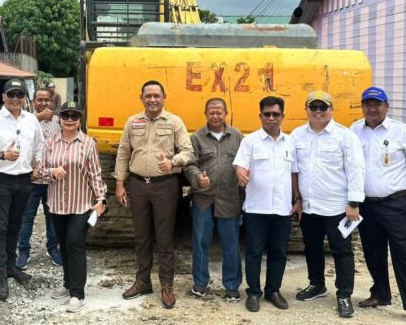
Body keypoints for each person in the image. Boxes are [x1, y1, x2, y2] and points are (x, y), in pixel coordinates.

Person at [351, 87, 406, 325]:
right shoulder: (354, 130)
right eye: (367, 104)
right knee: (373, 252)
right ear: (362, 106)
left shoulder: (401, 131)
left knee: (405, 255)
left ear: (387, 106)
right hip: (366, 205)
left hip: (395, 203)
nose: (372, 108)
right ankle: (380, 294)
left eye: (377, 104)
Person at [115, 80, 193, 309]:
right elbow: (123, 153)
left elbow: (188, 150)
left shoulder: (174, 122)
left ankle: (166, 286)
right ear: (141, 98)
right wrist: (120, 184)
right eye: (148, 96)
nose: (152, 99)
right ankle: (142, 281)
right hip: (138, 185)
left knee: (165, 237)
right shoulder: (133, 121)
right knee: (142, 236)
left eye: (156, 96)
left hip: (165, 186)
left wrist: (173, 162)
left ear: (164, 97)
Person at [291, 90, 365, 319]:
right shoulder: (296, 135)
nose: (318, 112)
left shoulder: (345, 136)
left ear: (331, 110)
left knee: (342, 252)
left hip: (337, 207)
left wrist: (354, 203)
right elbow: (294, 171)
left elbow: (356, 170)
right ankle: (317, 285)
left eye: (323, 107)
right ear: (307, 110)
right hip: (310, 207)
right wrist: (298, 200)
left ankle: (344, 294)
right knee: (312, 248)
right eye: (314, 107)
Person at [37, 101, 107, 312]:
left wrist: (101, 199)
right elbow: (39, 171)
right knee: (64, 245)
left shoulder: (88, 144)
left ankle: (78, 293)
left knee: (75, 243)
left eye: (74, 116)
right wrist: (52, 172)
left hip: (81, 204)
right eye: (65, 116)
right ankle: (68, 284)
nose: (69, 120)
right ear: (60, 119)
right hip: (57, 204)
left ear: (79, 120)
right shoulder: (50, 143)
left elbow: (95, 174)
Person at [0, 79, 44, 300]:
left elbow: (39, 146)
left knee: (16, 224)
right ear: (3, 97)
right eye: (11, 94)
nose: (16, 99)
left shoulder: (32, 120)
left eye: (20, 94)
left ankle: (11, 265)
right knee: (0, 226)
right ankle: (0, 275)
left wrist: (38, 165)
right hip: (1, 180)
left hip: (24, 180)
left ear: (25, 98)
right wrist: (2, 155)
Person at [233, 96, 297, 312]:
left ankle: (273, 291)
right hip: (256, 208)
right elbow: (240, 166)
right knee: (253, 252)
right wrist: (241, 175)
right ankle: (253, 293)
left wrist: (298, 200)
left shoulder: (291, 142)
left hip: (282, 209)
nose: (271, 118)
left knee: (279, 252)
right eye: (267, 114)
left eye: (275, 114)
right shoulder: (249, 141)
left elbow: (295, 173)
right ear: (260, 116)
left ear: (282, 117)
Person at [183, 98, 243, 302]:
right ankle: (200, 282)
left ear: (226, 113)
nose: (215, 116)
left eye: (219, 112)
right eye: (211, 112)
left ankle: (232, 285)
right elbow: (189, 164)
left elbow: (244, 162)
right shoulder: (197, 137)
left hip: (229, 197)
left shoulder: (237, 136)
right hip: (203, 199)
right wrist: (197, 177)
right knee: (200, 241)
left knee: (231, 243)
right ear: (205, 113)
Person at [16, 88, 62, 270]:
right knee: (27, 217)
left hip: (52, 179)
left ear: (52, 101)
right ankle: (24, 251)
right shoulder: (26, 120)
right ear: (33, 101)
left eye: (46, 100)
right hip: (31, 178)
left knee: (52, 217)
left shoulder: (59, 122)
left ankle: (53, 249)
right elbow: (17, 136)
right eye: (39, 100)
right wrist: (39, 117)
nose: (43, 103)